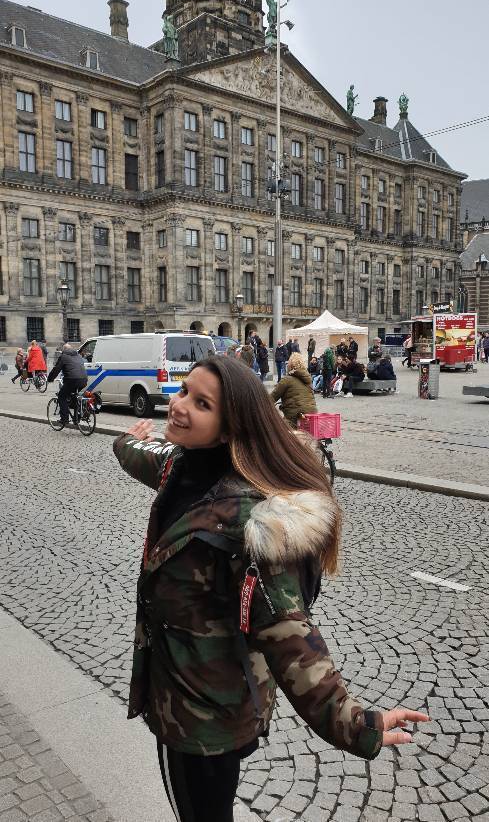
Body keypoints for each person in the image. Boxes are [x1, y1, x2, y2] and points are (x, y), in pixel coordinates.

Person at [113, 356, 428, 822]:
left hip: (201, 719)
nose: (179, 407)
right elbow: (141, 455)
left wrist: (359, 725)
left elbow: (291, 638)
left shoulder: (251, 524)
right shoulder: (182, 465)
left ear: (228, 428)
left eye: (201, 403)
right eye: (183, 392)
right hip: (202, 693)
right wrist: (126, 440)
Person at [271, 352, 317, 428]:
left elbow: (272, 397)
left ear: (289, 365)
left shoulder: (286, 380)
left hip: (294, 416)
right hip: (312, 415)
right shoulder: (308, 380)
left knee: (278, 430)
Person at [47, 343, 88, 427]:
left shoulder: (63, 356)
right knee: (74, 397)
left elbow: (56, 369)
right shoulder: (78, 356)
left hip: (71, 380)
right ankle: (76, 418)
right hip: (83, 380)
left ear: (64, 350)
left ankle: (64, 419)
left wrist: (50, 379)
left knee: (62, 397)